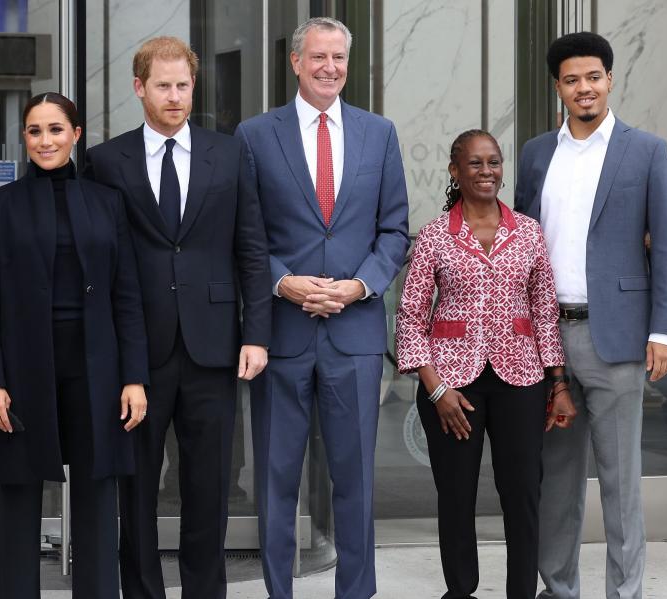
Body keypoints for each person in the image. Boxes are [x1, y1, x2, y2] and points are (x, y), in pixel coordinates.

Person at [84, 36, 272, 599]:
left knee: (209, 487)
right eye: (162, 86)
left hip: (215, 346)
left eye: (183, 86)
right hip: (138, 350)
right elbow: (101, 260)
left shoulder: (229, 152)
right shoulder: (104, 161)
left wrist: (256, 333)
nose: (174, 96)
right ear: (139, 88)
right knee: (136, 489)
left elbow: (252, 248)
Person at [235, 17, 409, 599]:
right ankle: (278, 591)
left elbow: (394, 232)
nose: (330, 67)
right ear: (295, 62)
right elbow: (246, 233)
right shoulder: (256, 135)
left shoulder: (378, 133)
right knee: (277, 479)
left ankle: (355, 593)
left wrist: (359, 286)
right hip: (281, 332)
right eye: (318, 57)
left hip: (354, 333)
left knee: (354, 481)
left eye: (338, 57)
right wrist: (283, 283)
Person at [514, 32, 667, 599]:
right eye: (571, 79)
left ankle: (624, 592)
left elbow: (666, 247)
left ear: (610, 79)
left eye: (593, 77)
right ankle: (558, 589)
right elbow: (522, 241)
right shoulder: (538, 152)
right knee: (555, 482)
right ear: (557, 87)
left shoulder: (646, 150)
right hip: (546, 339)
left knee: (620, 483)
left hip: (618, 337)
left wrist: (664, 330)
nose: (583, 88)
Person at [0, 92, 149, 599]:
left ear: (76, 134)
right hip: (23, 369)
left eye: (54, 129)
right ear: (24, 138)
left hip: (98, 368)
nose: (45, 140)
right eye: (34, 131)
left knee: (96, 491)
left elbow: (127, 294)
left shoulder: (107, 202)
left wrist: (134, 376)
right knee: (20, 491)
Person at [396, 130, 572, 599]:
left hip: (521, 380)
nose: (487, 172)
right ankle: (461, 590)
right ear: (455, 171)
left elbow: (544, 311)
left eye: (493, 162)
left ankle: (521, 592)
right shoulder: (436, 235)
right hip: (452, 387)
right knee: (456, 495)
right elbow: (411, 318)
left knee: (523, 495)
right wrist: (436, 391)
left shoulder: (529, 232)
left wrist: (557, 384)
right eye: (475, 164)